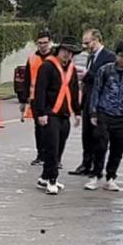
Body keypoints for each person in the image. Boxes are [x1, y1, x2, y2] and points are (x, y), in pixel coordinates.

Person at [84, 41, 123, 192]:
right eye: (122, 56)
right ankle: (96, 175)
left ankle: (111, 177)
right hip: (104, 114)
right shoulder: (105, 71)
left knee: (118, 148)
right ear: (116, 55)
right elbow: (96, 92)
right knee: (100, 146)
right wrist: (93, 113)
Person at [34, 36, 81, 195]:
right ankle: (52, 180)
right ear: (59, 50)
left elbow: (74, 91)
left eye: (71, 52)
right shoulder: (47, 66)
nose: (67, 54)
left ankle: (44, 177)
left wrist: (78, 112)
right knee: (52, 147)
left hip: (64, 114)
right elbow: (39, 91)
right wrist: (40, 113)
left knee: (59, 147)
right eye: (65, 50)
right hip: (50, 113)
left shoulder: (72, 69)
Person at [70, 29, 115, 176]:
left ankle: (97, 166)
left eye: (87, 42)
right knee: (87, 134)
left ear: (96, 40)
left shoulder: (109, 57)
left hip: (101, 103)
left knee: (98, 136)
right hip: (88, 100)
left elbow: (107, 79)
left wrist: (88, 74)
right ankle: (86, 163)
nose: (85, 46)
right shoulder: (90, 57)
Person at [19, 30, 54, 166]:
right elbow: (26, 80)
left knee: (52, 129)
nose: (43, 46)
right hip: (36, 99)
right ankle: (41, 154)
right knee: (39, 128)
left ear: (50, 42)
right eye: (40, 43)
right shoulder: (32, 58)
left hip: (52, 99)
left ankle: (53, 157)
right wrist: (23, 100)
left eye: (45, 43)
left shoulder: (56, 58)